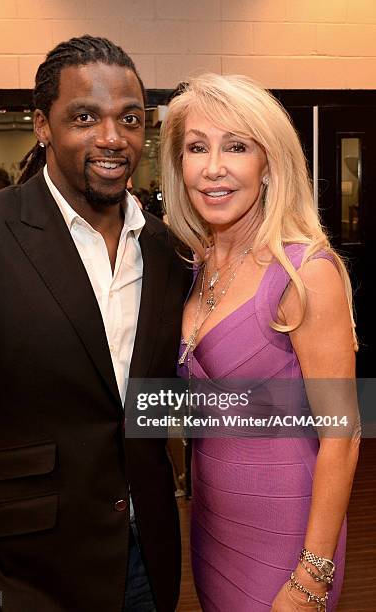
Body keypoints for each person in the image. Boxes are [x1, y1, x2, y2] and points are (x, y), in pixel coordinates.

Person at [0, 35, 190, 612]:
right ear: (41, 125)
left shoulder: (166, 250)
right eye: (84, 116)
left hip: (146, 559)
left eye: (129, 119)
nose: (111, 138)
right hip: (21, 575)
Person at [160, 74, 360, 611]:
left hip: (286, 536)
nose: (213, 167)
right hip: (211, 528)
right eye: (197, 147)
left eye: (237, 146)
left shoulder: (304, 272)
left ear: (269, 163)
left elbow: (343, 434)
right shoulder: (198, 265)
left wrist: (311, 577)